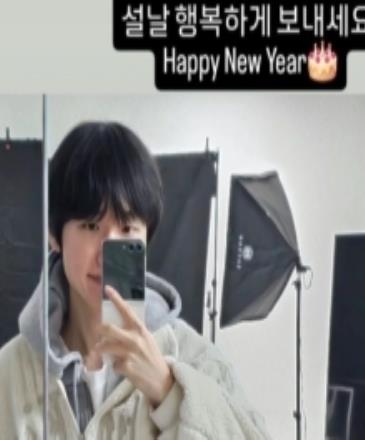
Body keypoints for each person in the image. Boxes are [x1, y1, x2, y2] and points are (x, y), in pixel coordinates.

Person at [0, 121, 270, 439]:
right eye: (90, 226)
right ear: (54, 235)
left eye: (127, 229)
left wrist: (168, 391)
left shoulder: (195, 357)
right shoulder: (11, 373)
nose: (107, 253)